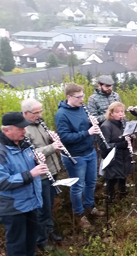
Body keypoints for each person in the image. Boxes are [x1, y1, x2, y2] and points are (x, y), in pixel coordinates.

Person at [55, 83, 105, 229]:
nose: (82, 99)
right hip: (75, 156)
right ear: (69, 97)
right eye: (79, 97)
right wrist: (88, 133)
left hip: (90, 151)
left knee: (91, 182)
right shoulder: (61, 114)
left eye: (83, 96)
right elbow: (64, 138)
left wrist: (92, 122)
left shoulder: (84, 108)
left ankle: (90, 207)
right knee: (77, 186)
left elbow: (86, 124)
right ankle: (79, 214)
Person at [0, 112, 48, 255]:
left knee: (30, 241)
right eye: (20, 128)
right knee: (17, 245)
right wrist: (31, 174)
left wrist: (36, 160)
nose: (24, 131)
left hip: (31, 202)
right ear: (6, 130)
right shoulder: (2, 151)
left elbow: (24, 165)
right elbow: (2, 182)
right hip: (13, 207)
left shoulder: (24, 143)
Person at [22, 99, 64, 251]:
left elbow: (45, 146)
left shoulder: (39, 124)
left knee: (49, 205)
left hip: (52, 169)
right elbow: (30, 154)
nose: (40, 115)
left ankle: (49, 230)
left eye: (41, 111)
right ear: (26, 113)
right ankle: (41, 239)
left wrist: (53, 140)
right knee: (42, 208)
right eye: (36, 113)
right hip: (41, 175)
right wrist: (52, 147)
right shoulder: (24, 130)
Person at [99, 102, 133, 202]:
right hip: (113, 157)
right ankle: (110, 199)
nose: (120, 114)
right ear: (111, 113)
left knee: (123, 175)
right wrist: (121, 145)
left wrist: (131, 138)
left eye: (122, 111)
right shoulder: (106, 126)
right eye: (117, 112)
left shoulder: (125, 122)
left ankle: (123, 195)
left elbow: (130, 133)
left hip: (124, 155)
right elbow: (105, 145)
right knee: (112, 178)